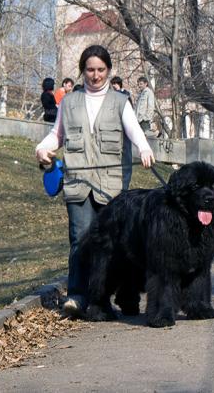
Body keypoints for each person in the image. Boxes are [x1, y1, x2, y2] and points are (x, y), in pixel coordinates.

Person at [35, 45, 155, 317]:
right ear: (82, 71)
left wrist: (145, 149)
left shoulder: (120, 102)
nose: (96, 75)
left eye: (101, 70)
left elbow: (134, 132)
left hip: (111, 187)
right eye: (90, 69)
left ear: (109, 71)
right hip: (77, 183)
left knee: (116, 244)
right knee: (80, 240)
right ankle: (78, 296)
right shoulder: (69, 102)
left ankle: (122, 296)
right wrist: (43, 148)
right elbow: (57, 136)